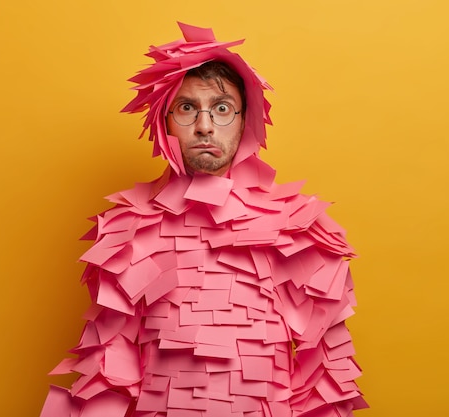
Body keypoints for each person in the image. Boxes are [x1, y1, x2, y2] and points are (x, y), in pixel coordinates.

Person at [40, 22, 368, 417]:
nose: (205, 125)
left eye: (222, 108)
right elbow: (108, 371)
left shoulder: (298, 226)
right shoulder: (126, 228)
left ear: (245, 121)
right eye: (187, 107)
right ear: (165, 123)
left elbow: (327, 377)